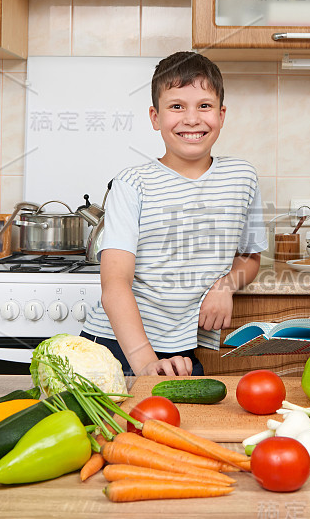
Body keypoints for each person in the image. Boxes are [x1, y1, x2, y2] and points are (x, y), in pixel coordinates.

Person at [81, 51, 267, 376]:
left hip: (182, 350)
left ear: (222, 114)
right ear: (155, 117)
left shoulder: (242, 177)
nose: (192, 118)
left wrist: (225, 286)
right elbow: (115, 285)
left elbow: (250, 258)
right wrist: (145, 363)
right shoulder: (132, 183)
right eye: (176, 106)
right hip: (118, 347)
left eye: (204, 106)